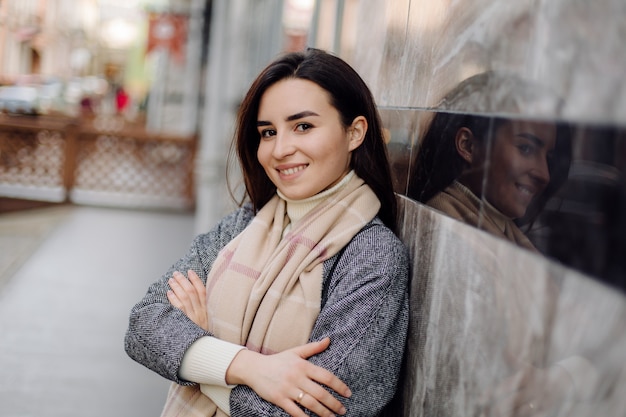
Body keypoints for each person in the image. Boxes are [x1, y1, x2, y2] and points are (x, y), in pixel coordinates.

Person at [124, 48, 410, 417]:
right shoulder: (243, 225)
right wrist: (252, 368)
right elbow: (145, 324)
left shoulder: (371, 255)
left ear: (354, 132)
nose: (280, 149)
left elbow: (313, 408)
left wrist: (203, 360)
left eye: (303, 126)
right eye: (268, 132)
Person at [407, 75, 572, 251]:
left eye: (548, 158)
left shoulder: (490, 229)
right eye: (526, 148)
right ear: (468, 146)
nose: (544, 174)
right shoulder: (446, 236)